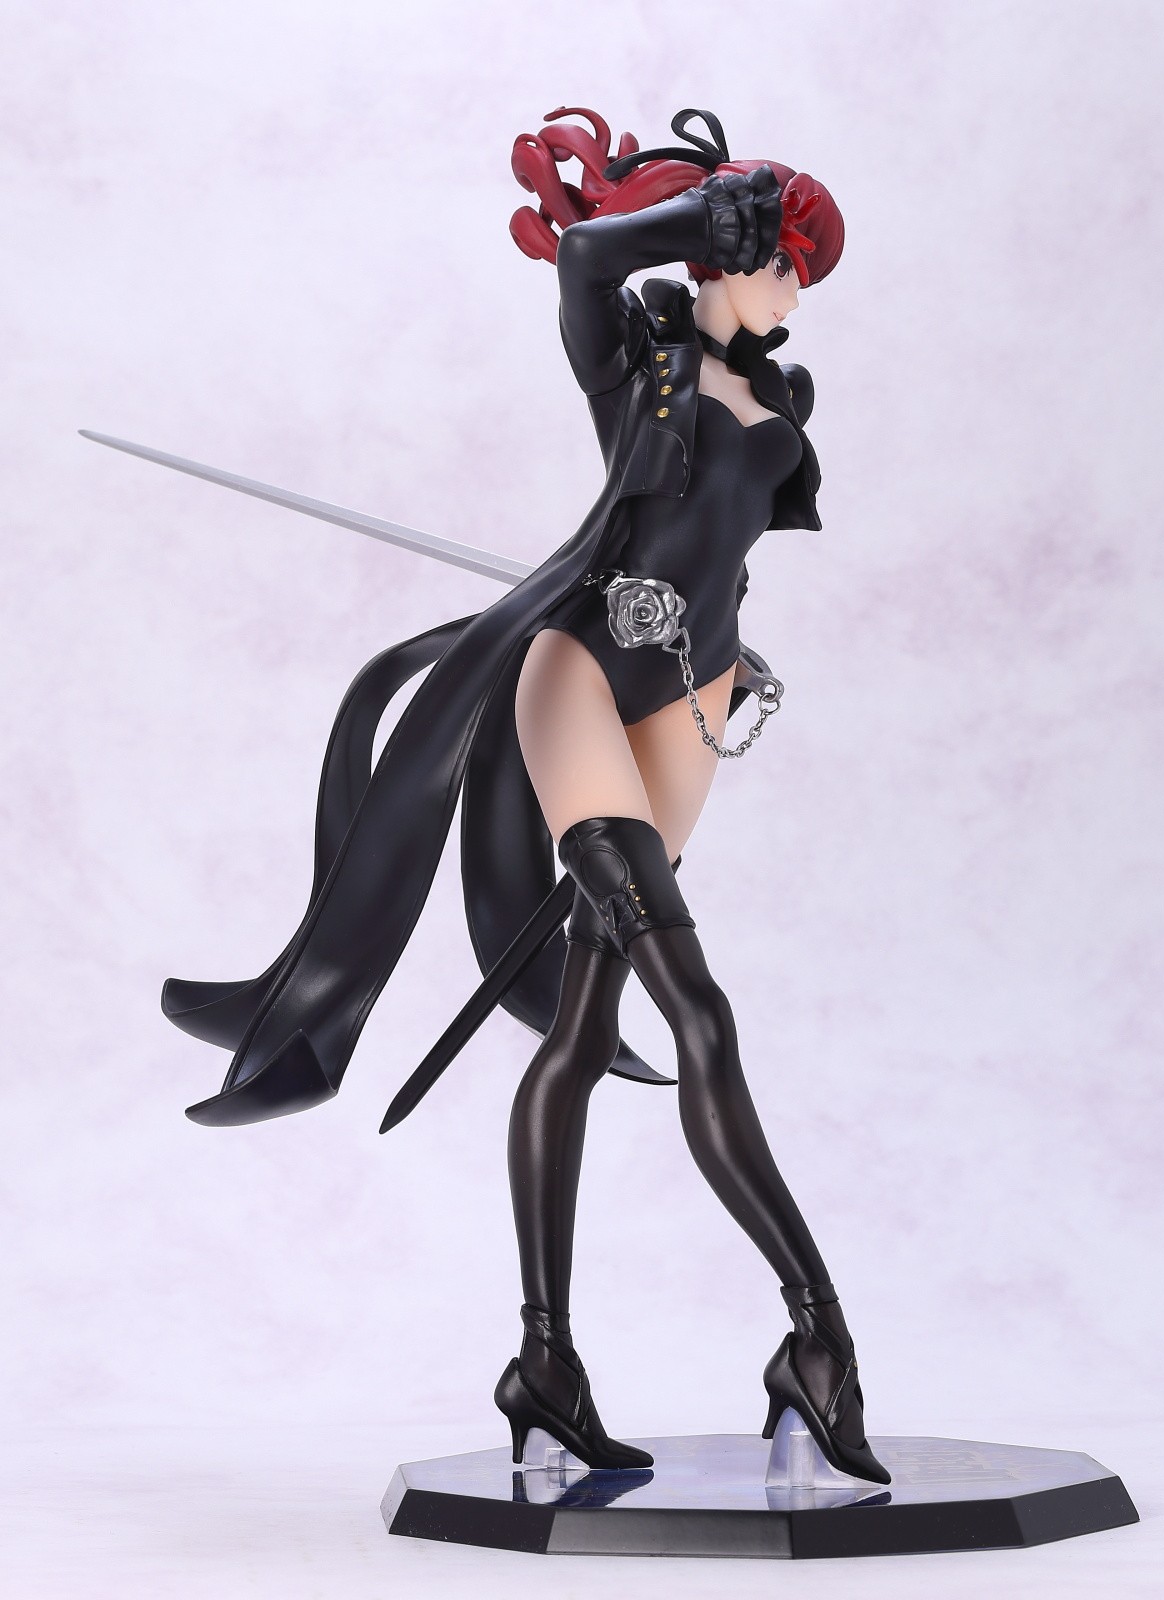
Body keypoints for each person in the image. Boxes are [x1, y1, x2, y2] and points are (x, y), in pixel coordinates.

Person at [162, 107, 889, 1485]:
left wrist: (724, 646)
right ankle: (820, 1335)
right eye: (780, 259)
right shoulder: (637, 361)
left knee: (582, 1027)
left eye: (800, 267)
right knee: (700, 1010)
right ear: (725, 251)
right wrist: (699, 214)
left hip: (691, 705)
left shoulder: (782, 412)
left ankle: (543, 1367)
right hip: (580, 679)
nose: (794, 291)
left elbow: (721, 558)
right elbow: (586, 263)